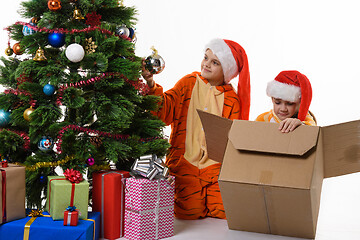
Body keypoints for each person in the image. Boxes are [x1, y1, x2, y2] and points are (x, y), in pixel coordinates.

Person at [141, 38, 250, 219]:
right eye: (205, 58)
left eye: (215, 62)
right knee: (187, 212)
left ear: (227, 71)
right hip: (185, 165)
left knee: (223, 212)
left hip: (215, 171)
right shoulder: (189, 83)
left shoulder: (232, 100)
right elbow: (165, 110)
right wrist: (151, 84)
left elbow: (234, 140)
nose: (206, 64)